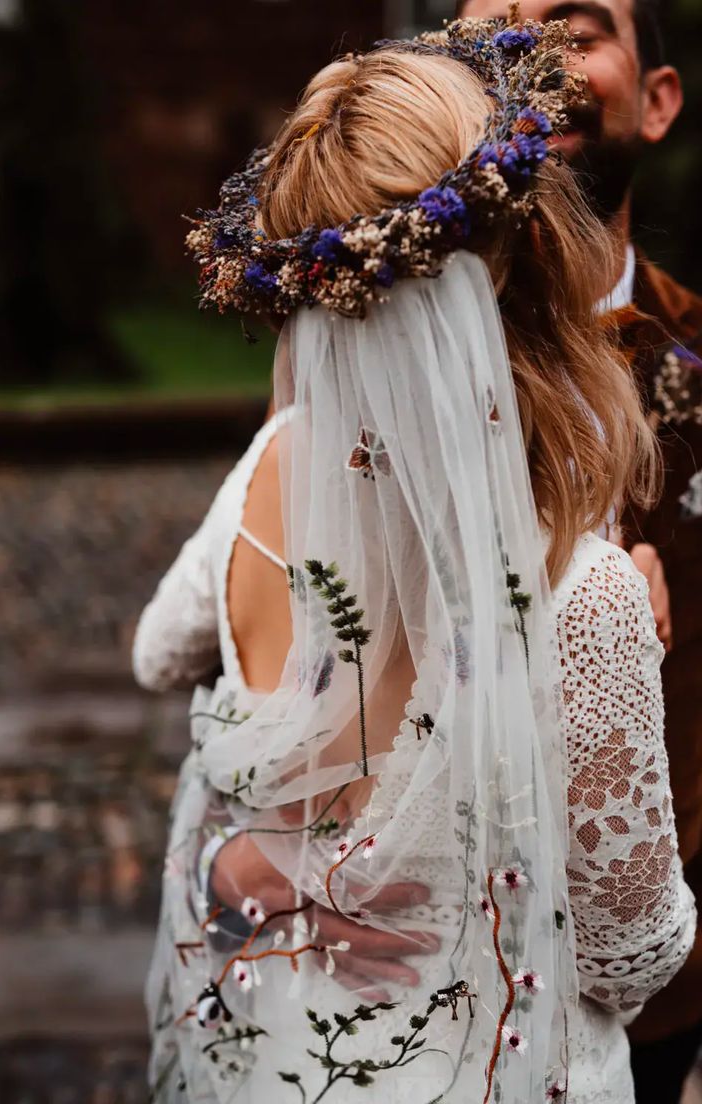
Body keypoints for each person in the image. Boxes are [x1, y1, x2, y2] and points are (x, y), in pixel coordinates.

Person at [134, 14, 695, 1104]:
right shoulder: (584, 593)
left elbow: (164, 654)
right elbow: (632, 957)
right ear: (515, 254)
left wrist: (284, 862)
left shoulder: (266, 467)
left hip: (282, 1060)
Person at [454, 0, 702, 1098]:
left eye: (570, 27)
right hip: (447, 971)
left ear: (656, 99)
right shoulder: (392, 375)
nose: (529, 61)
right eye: (488, 36)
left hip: (667, 977)